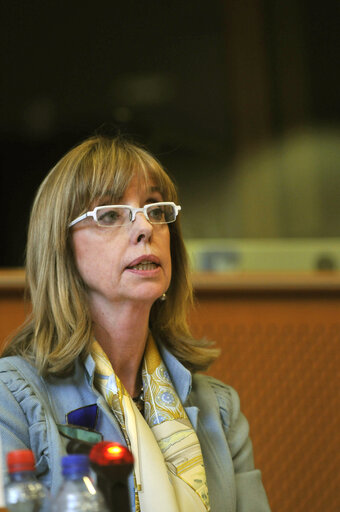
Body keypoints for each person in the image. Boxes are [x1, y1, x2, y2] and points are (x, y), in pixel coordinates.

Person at [0, 135, 271, 512]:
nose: (145, 228)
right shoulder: (11, 399)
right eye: (110, 215)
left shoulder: (219, 410)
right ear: (61, 247)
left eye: (156, 210)